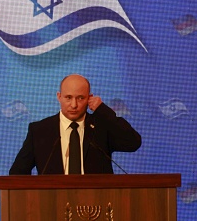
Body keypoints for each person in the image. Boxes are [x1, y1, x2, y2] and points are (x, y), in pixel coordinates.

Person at [9, 74, 141, 175]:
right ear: (59, 97)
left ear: (89, 98)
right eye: (68, 98)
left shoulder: (101, 126)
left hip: (96, 203)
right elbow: (17, 173)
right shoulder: (40, 131)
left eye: (80, 98)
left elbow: (133, 142)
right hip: (51, 204)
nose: (74, 105)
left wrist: (103, 110)